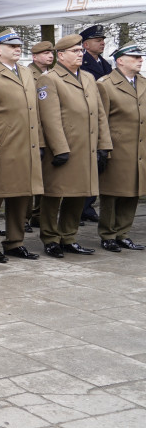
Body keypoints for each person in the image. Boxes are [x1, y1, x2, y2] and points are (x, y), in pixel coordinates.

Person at [37, 35, 112, 257]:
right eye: (75, 51)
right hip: (63, 149)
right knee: (54, 194)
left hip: (85, 147)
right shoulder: (49, 79)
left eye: (81, 50)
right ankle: (50, 239)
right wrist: (60, 148)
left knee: (79, 193)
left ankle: (68, 236)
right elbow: (50, 118)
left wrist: (104, 145)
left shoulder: (88, 78)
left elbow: (100, 114)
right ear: (61, 55)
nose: (80, 54)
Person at [0, 30, 43, 263]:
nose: (17, 49)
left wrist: (39, 142)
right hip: (3, 146)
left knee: (21, 196)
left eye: (19, 45)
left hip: (26, 146)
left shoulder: (25, 72)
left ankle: (15, 241)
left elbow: (34, 112)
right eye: (11, 45)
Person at [95, 43, 146, 252]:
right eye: (135, 58)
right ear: (120, 61)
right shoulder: (106, 84)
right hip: (116, 147)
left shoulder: (143, 82)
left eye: (140, 57)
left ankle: (123, 233)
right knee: (112, 193)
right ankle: (108, 234)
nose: (140, 60)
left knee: (133, 191)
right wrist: (103, 147)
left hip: (139, 148)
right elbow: (100, 119)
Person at [78, 25, 111, 223]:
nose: (102, 42)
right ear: (85, 44)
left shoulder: (105, 64)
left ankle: (87, 205)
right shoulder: (82, 64)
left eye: (102, 39)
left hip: (102, 117)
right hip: (86, 119)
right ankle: (77, 206)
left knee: (98, 165)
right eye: (98, 40)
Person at [27, 40, 54, 229]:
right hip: (33, 132)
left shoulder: (50, 75)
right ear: (35, 56)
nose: (50, 56)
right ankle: (26, 216)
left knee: (45, 178)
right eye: (45, 53)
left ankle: (38, 215)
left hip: (49, 131)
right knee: (31, 178)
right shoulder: (28, 74)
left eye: (51, 53)